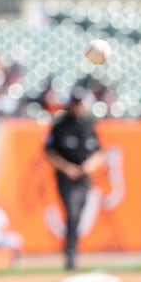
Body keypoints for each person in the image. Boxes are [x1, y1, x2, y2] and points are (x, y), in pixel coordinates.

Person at [43, 87, 104, 271]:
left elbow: (98, 152)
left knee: (79, 214)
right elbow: (49, 151)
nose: (77, 107)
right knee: (72, 212)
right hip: (66, 177)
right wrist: (66, 167)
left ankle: (72, 249)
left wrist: (88, 166)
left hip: (84, 178)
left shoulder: (88, 124)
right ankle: (70, 253)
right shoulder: (60, 126)